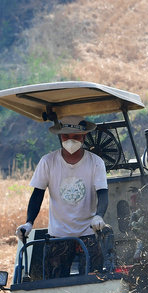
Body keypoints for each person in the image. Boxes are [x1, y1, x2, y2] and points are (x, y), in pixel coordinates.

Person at [16, 116, 109, 278]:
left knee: (93, 277)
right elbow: (37, 194)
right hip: (58, 233)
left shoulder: (95, 162)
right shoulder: (48, 162)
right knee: (53, 279)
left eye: (75, 137)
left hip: (88, 231)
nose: (70, 141)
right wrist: (29, 222)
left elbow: (102, 192)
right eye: (66, 136)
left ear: (84, 136)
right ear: (60, 137)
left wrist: (99, 215)